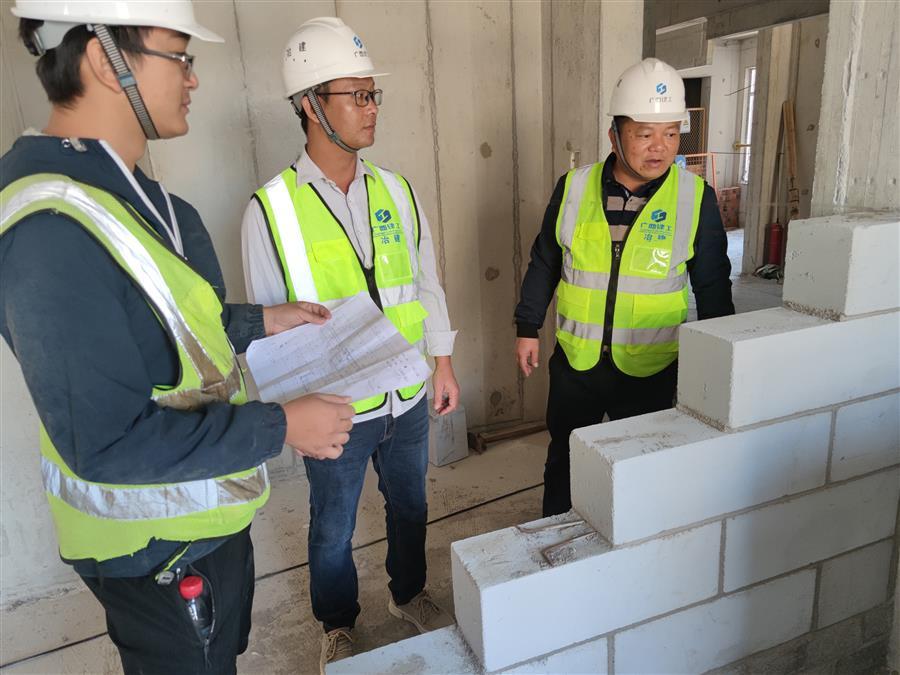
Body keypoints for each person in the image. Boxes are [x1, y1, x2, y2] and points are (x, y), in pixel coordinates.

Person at [0, 2, 355, 672]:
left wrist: (259, 321)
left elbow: (160, 329)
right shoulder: (50, 228)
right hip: (155, 551)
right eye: (179, 56)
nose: (193, 77)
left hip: (206, 519)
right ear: (104, 59)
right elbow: (105, 441)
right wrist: (281, 425)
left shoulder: (131, 198)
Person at [241, 16, 460, 670]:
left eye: (373, 94)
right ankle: (337, 621)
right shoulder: (270, 211)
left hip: (407, 393)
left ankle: (408, 592)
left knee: (411, 503)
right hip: (332, 409)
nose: (371, 108)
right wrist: (290, 415)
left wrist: (443, 363)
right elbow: (265, 333)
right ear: (311, 105)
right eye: (356, 95)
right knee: (332, 525)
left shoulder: (397, 190)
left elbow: (426, 283)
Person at [514, 58, 734, 517]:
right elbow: (546, 260)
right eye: (644, 134)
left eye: (671, 133)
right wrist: (527, 326)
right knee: (564, 464)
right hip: (577, 363)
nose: (660, 147)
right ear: (614, 135)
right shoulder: (573, 188)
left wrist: (719, 362)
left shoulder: (695, 198)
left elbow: (713, 287)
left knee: (641, 472)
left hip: (650, 369)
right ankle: (557, 544)